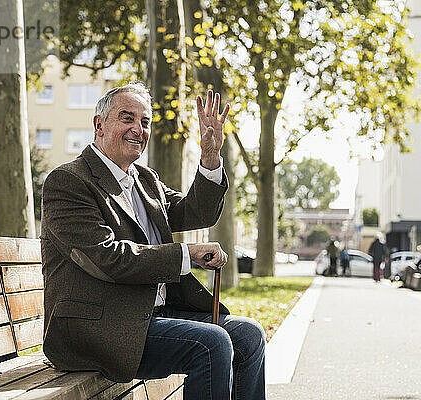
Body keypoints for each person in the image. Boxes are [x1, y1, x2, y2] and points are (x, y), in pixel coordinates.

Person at [40, 83, 266, 400]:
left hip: (150, 317)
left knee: (249, 335)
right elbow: (107, 258)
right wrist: (186, 254)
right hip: (97, 329)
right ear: (99, 125)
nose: (138, 129)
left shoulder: (145, 180)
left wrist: (210, 155)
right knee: (211, 343)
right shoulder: (70, 181)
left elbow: (197, 212)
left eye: (144, 121)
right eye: (127, 118)